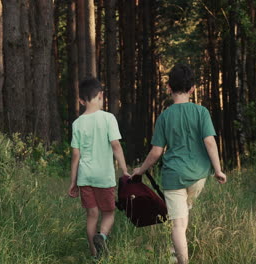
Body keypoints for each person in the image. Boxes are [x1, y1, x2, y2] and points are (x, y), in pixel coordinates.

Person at [132, 64, 227, 264]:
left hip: (174, 177)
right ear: (192, 88)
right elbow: (209, 141)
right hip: (198, 176)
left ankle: (180, 259)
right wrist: (218, 170)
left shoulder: (165, 116)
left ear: (168, 88)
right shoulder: (201, 112)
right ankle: (173, 254)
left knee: (177, 224)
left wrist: (140, 170)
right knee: (182, 218)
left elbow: (156, 152)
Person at [67, 77, 130, 258]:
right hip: (104, 176)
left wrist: (73, 182)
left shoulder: (77, 123)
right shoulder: (108, 118)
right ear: (101, 95)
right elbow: (116, 146)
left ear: (81, 101)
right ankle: (102, 236)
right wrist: (124, 170)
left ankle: (95, 256)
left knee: (92, 215)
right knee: (108, 213)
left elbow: (75, 155)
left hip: (85, 177)